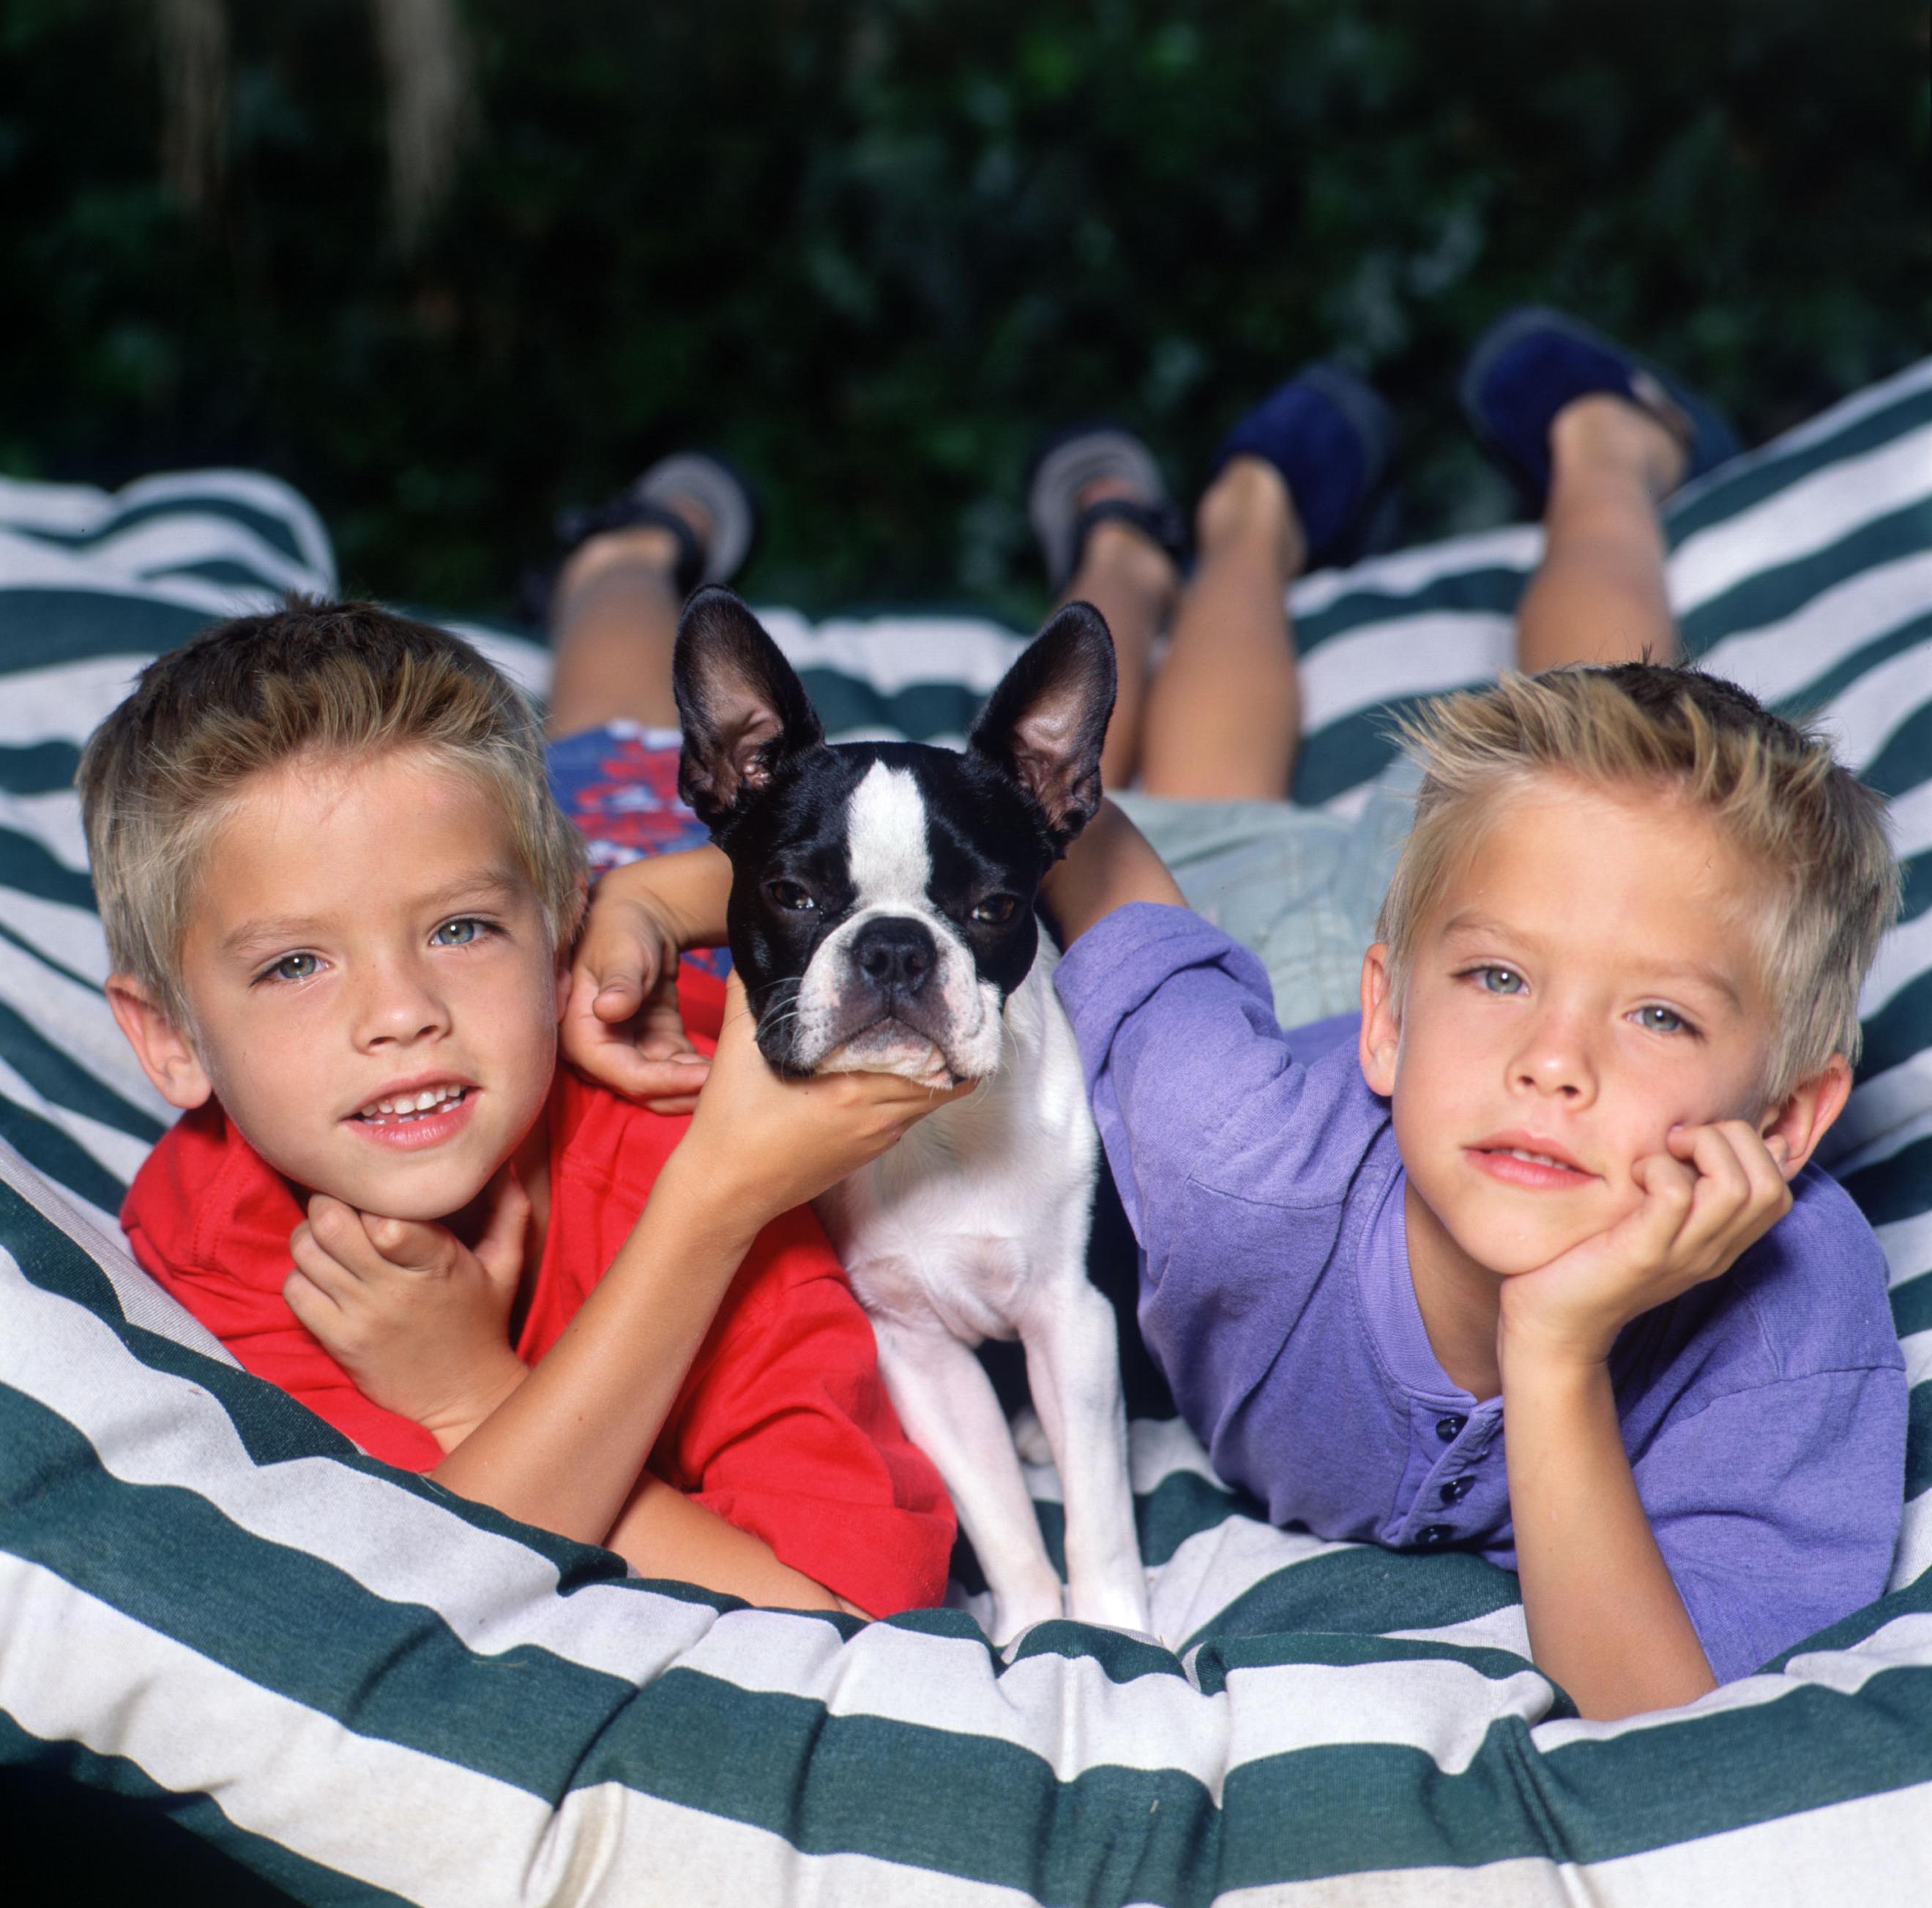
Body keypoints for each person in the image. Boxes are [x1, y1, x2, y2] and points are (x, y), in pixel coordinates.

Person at [564, 311, 1905, 1717]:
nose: (1556, 1063)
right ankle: (1218, 529)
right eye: (1513, 987)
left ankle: (1603, 448)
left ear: (1796, 1114)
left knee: (1620, 736)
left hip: (1437, 934)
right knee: (1405, 743)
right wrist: (667, 892)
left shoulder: (1792, 1333)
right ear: (1389, 1021)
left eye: (1662, 1021)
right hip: (1278, 937)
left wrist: (1555, 1353)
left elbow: (1662, 1718)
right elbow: (1070, 838)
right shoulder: (1227, 1158)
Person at [80, 595, 964, 1621]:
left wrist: (704, 1205)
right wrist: (476, 1386)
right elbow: (412, 1587)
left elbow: (839, 1618)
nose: (403, 1014)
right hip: (603, 854)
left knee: (1175, 799)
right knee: (600, 738)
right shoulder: (215, 1229)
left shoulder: (706, 1142)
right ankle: (626, 557)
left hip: (645, 877)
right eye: (294, 963)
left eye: (459, 931)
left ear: (557, 948)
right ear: (170, 1039)